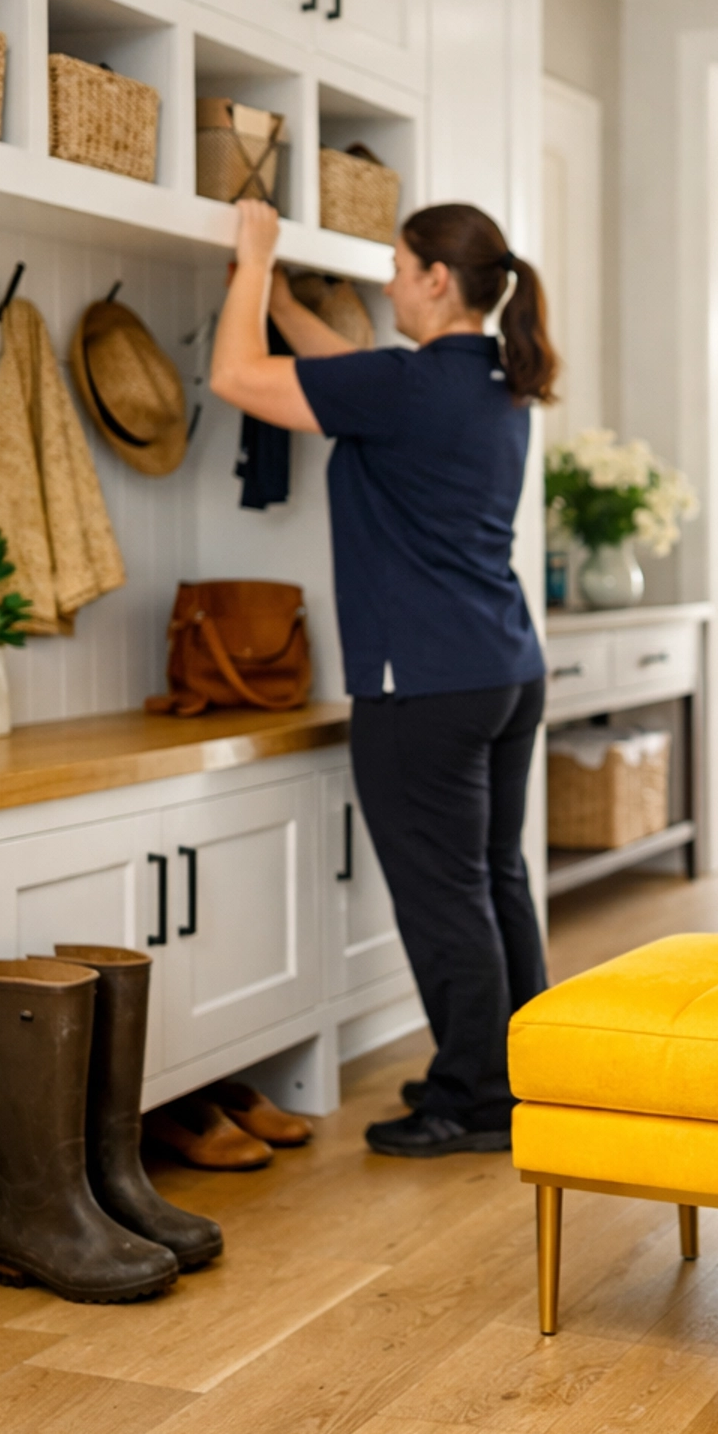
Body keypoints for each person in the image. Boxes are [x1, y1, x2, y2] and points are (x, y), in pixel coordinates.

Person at [211, 197, 558, 1156]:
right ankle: (518, 1078)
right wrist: (283, 302)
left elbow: (234, 376)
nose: (391, 287)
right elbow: (344, 373)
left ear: (436, 281)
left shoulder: (405, 386)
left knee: (446, 897)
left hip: (427, 686)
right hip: (504, 668)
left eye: (399, 271)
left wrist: (254, 260)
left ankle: (472, 1099)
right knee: (494, 878)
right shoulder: (496, 380)